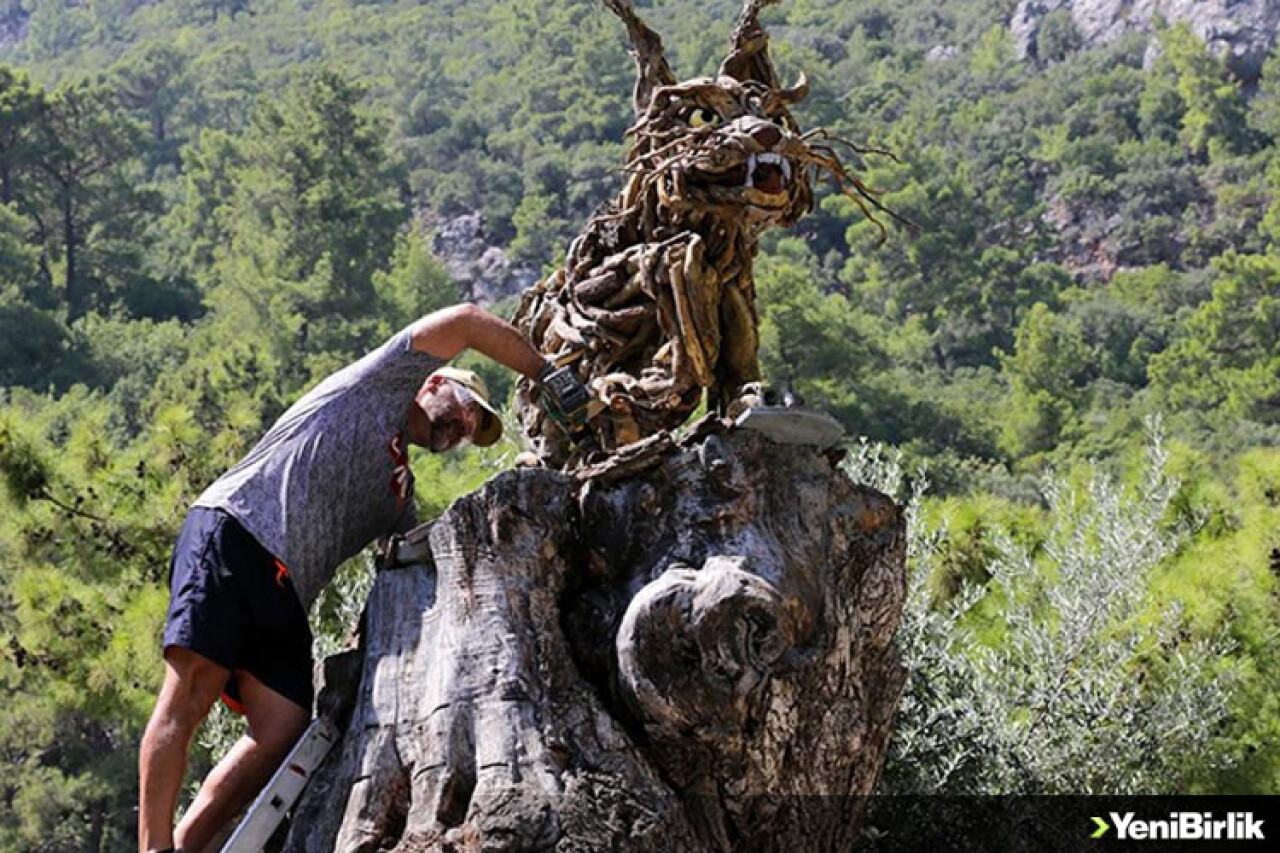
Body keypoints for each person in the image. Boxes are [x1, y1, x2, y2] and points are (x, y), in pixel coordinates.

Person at [137, 303, 582, 853]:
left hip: (287, 590)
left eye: (475, 430)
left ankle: (188, 843)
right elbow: (466, 320)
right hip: (237, 532)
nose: (464, 427)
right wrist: (548, 373)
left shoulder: (400, 497)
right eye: (468, 408)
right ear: (433, 382)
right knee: (192, 690)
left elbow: (421, 553)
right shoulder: (382, 384)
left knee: (284, 726)